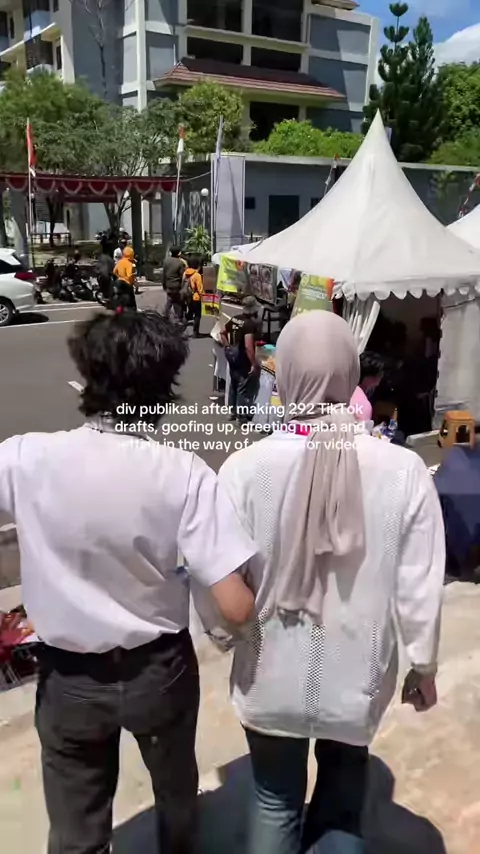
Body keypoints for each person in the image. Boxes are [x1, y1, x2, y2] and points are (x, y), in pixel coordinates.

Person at [0, 310, 257, 854]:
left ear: (87, 375)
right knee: (175, 792)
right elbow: (235, 607)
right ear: (162, 391)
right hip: (158, 672)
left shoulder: (23, 458)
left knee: (76, 825)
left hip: (68, 677)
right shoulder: (184, 473)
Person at [218, 311, 445, 854]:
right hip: (356, 678)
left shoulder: (243, 470)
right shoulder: (403, 470)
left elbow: (216, 579)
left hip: (268, 675)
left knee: (274, 800)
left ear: (287, 371)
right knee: (343, 801)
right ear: (349, 371)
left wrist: (225, 636)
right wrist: (423, 664)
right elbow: (419, 582)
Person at [221, 295, 261, 424]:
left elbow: (222, 332)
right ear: (253, 309)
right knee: (242, 387)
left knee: (233, 383)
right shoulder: (249, 324)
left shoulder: (235, 319)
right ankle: (241, 416)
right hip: (243, 358)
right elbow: (249, 346)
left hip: (232, 356)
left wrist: (227, 346)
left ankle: (232, 412)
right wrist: (253, 363)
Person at [350, 351, 384, 423]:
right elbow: (362, 430)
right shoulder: (363, 404)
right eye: (380, 373)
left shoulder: (344, 389)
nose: (382, 375)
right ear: (368, 377)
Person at [163, 246, 187, 322]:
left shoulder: (166, 261)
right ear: (179, 253)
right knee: (177, 302)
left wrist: (164, 284)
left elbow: (164, 274)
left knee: (170, 300)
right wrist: (182, 285)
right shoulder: (180, 263)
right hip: (177, 285)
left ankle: (165, 316)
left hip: (168, 284)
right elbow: (182, 276)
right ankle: (178, 318)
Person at [183, 256, 204, 338]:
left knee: (190, 313)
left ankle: (180, 329)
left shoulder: (185, 273)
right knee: (197, 315)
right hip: (196, 297)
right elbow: (200, 289)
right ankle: (195, 333)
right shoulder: (197, 275)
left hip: (187, 296)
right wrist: (204, 297)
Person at [113, 245, 137, 310]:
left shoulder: (120, 262)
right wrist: (132, 281)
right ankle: (133, 311)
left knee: (120, 297)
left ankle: (119, 310)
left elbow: (114, 271)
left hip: (119, 282)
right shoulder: (129, 263)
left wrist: (119, 277)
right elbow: (129, 275)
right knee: (131, 299)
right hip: (126, 283)